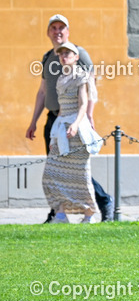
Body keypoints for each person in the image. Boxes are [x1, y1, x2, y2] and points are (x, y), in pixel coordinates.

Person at [25, 14, 112, 222]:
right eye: (53, 28)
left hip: (74, 120)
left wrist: (88, 116)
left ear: (68, 31)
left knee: (76, 168)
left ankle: (103, 202)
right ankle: (59, 213)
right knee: (56, 169)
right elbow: (42, 92)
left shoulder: (78, 53)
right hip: (54, 120)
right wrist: (33, 121)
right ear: (48, 32)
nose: (57, 31)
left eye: (61, 28)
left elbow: (91, 85)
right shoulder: (47, 57)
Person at [41, 42, 104, 223]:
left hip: (77, 129)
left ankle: (89, 214)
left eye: (68, 53)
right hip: (62, 128)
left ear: (76, 57)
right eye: (61, 54)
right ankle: (60, 214)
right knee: (52, 173)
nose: (64, 56)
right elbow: (61, 110)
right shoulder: (61, 78)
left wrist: (75, 124)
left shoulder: (81, 76)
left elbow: (83, 104)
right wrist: (55, 133)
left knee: (81, 175)